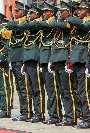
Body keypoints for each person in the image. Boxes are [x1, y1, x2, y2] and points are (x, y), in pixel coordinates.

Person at [49, 1, 77, 126]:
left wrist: (68, 61)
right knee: (61, 90)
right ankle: (66, 116)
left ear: (69, 13)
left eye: (62, 12)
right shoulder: (60, 24)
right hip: (57, 60)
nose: (60, 14)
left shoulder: (70, 23)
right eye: (59, 12)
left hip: (65, 60)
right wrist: (52, 60)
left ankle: (71, 117)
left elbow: (62, 25)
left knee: (68, 91)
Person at [7, 1, 32, 121]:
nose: (15, 13)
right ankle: (23, 111)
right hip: (15, 59)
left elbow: (16, 26)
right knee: (19, 87)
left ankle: (27, 112)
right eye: (14, 11)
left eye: (17, 11)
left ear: (23, 12)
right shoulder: (15, 24)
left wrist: (10, 23)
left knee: (24, 88)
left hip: (22, 59)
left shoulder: (25, 24)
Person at [66, 0, 90, 128]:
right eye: (78, 9)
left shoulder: (86, 23)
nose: (79, 11)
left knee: (85, 93)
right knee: (79, 92)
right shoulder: (77, 25)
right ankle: (83, 116)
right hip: (76, 62)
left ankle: (88, 120)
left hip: (84, 62)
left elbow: (76, 21)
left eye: (82, 9)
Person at [39, 2, 63, 124]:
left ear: (52, 13)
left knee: (53, 90)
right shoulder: (47, 23)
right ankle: (52, 114)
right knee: (49, 90)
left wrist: (50, 60)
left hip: (50, 58)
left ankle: (56, 116)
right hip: (44, 59)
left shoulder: (53, 24)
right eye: (43, 12)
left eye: (46, 12)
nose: (44, 14)